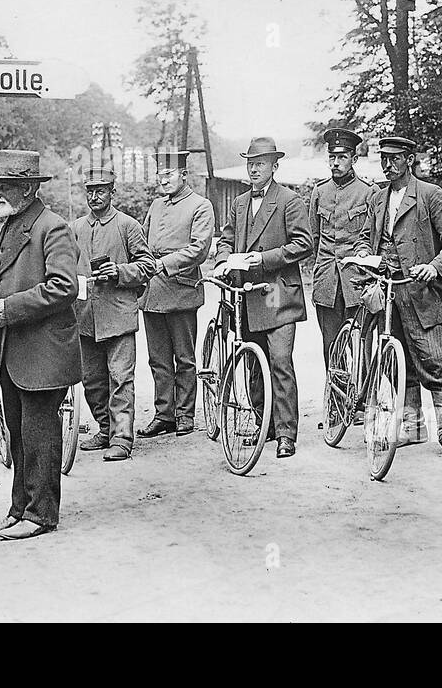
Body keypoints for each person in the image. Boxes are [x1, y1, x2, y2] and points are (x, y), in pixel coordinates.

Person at [0, 150, 80, 541]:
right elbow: (7, 279)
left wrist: (9, 308)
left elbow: (63, 287)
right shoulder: (12, 223)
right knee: (19, 434)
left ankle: (41, 515)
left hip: (43, 352)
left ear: (27, 188)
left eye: (3, 187)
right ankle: (19, 508)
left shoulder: (53, 227)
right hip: (11, 348)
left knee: (40, 435)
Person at [356, 135, 442, 459]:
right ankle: (413, 425)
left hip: (421, 294)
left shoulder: (430, 195)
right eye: (383, 159)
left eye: (395, 158)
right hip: (388, 294)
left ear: (410, 159)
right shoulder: (378, 199)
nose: (388, 165)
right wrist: (364, 253)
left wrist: (435, 267)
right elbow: (366, 236)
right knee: (397, 363)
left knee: (435, 362)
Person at [212, 136, 312, 458]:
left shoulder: (290, 201)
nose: (254, 169)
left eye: (261, 164)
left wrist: (264, 259)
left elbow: (303, 244)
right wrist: (224, 260)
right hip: (245, 294)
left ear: (274, 166)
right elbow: (226, 240)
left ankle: (286, 433)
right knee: (252, 362)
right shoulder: (240, 204)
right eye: (251, 164)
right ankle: (263, 422)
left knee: (280, 361)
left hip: (277, 292)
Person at [72, 166, 154, 462]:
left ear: (112, 193)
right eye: (90, 191)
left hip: (119, 316)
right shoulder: (76, 228)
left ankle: (122, 438)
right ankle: (104, 429)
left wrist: (119, 271)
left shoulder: (127, 225)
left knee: (120, 379)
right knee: (91, 379)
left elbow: (148, 265)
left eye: (101, 191)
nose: (95, 197)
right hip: (85, 317)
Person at [137, 151, 215, 438]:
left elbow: (199, 249)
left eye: (169, 175)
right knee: (157, 358)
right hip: (152, 291)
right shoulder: (156, 205)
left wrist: (164, 263)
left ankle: (185, 414)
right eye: (160, 175)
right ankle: (164, 414)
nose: (164, 180)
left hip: (181, 288)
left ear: (184, 174)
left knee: (184, 357)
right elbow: (143, 242)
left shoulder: (200, 206)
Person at [306, 126, 376, 364]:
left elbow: (372, 239)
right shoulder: (320, 191)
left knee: (361, 350)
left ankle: (363, 400)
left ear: (354, 159)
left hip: (357, 284)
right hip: (327, 284)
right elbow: (313, 237)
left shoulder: (369, 193)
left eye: (342, 157)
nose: (335, 163)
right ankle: (337, 399)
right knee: (331, 350)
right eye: (332, 157)